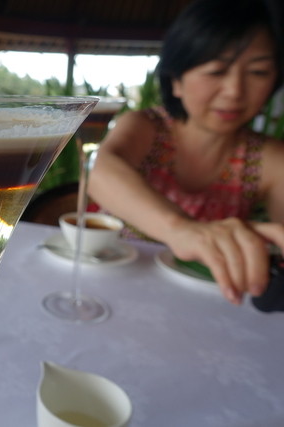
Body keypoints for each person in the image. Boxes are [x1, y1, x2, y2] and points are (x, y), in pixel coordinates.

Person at [88, 0, 284, 305]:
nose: (235, 91)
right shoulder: (146, 127)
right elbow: (100, 171)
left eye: (258, 72)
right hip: (106, 286)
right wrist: (182, 230)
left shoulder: (270, 158)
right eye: (216, 70)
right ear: (176, 81)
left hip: (203, 304)